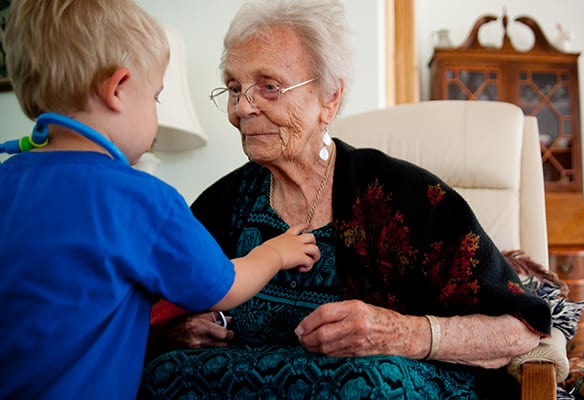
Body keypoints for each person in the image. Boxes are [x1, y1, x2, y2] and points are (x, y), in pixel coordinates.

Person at [142, 0, 554, 398]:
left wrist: (404, 334)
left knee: (366, 382)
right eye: (234, 88)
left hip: (387, 386)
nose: (241, 109)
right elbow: (155, 307)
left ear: (330, 99)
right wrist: (176, 330)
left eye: (268, 87)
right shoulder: (224, 202)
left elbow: (521, 326)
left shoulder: (406, 197)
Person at [0, 1, 320, 399]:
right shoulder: (141, 199)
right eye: (155, 96)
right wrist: (275, 253)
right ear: (117, 90)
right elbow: (224, 286)